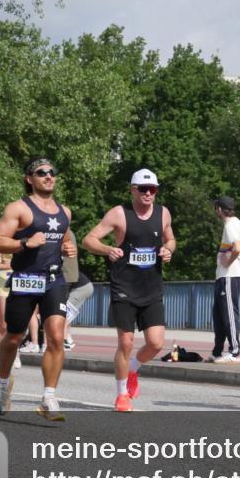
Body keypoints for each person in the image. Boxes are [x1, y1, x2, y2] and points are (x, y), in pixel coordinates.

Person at [0, 158, 76, 419]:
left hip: (54, 280)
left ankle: (49, 396)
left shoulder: (65, 211)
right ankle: (4, 386)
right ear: (30, 178)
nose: (49, 176)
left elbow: (62, 237)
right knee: (14, 337)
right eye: (42, 173)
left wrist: (67, 247)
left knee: (57, 336)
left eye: (52, 172)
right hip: (26, 278)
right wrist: (25, 243)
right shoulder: (19, 208)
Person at [83, 168, 175, 412]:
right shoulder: (119, 214)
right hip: (124, 286)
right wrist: (107, 250)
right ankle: (121, 394)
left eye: (152, 189)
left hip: (151, 287)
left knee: (156, 343)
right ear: (133, 190)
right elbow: (88, 240)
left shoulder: (163, 213)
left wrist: (168, 250)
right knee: (126, 342)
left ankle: (132, 369)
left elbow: (171, 239)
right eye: (143, 189)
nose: (148, 193)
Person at [209, 195, 240, 363]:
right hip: (224, 276)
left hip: (229, 275)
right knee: (218, 314)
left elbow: (238, 248)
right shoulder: (237, 222)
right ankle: (217, 351)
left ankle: (234, 352)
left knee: (229, 313)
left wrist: (228, 261)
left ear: (219, 209)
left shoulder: (230, 225)